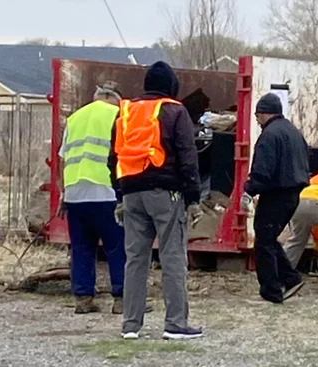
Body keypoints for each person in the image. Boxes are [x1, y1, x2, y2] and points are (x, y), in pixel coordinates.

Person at [116, 61, 203, 340]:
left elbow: (113, 156)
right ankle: (175, 324)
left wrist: (119, 194)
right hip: (165, 194)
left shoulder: (127, 111)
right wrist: (193, 198)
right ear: (171, 86)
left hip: (130, 193)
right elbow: (188, 158)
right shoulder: (176, 111)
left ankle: (131, 325)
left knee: (135, 259)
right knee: (173, 257)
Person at [59, 81, 152, 315]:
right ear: (115, 99)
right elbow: (126, 154)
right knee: (117, 246)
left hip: (75, 192)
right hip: (107, 191)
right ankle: (122, 299)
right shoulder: (119, 115)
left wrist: (63, 193)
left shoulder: (75, 118)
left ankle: (83, 298)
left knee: (81, 247)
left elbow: (64, 158)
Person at [241, 93, 310, 304]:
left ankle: (271, 291)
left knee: (263, 242)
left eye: (257, 116)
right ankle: (291, 279)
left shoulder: (269, 136)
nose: (257, 120)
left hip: (275, 194)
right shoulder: (293, 132)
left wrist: (249, 191)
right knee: (268, 238)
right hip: (294, 194)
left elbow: (263, 169)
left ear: (263, 113)